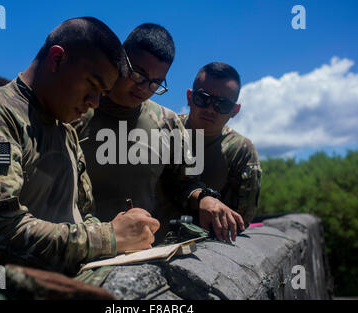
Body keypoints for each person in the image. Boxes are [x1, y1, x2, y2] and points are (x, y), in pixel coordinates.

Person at [0, 17, 159, 290]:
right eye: (92, 85)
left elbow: (83, 214)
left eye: (102, 94)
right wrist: (109, 237)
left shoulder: (66, 129)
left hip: (72, 283)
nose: (94, 103)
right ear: (57, 60)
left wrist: (121, 232)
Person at [77, 24, 245, 243]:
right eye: (138, 74)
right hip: (79, 248)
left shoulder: (168, 123)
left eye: (156, 82)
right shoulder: (77, 109)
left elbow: (185, 182)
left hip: (142, 252)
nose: (144, 88)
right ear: (120, 58)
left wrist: (204, 199)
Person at [179, 62, 262, 227]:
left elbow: (240, 219)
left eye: (222, 104)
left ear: (235, 111)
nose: (211, 109)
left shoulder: (241, 150)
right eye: (203, 99)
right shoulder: (164, 130)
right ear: (190, 97)